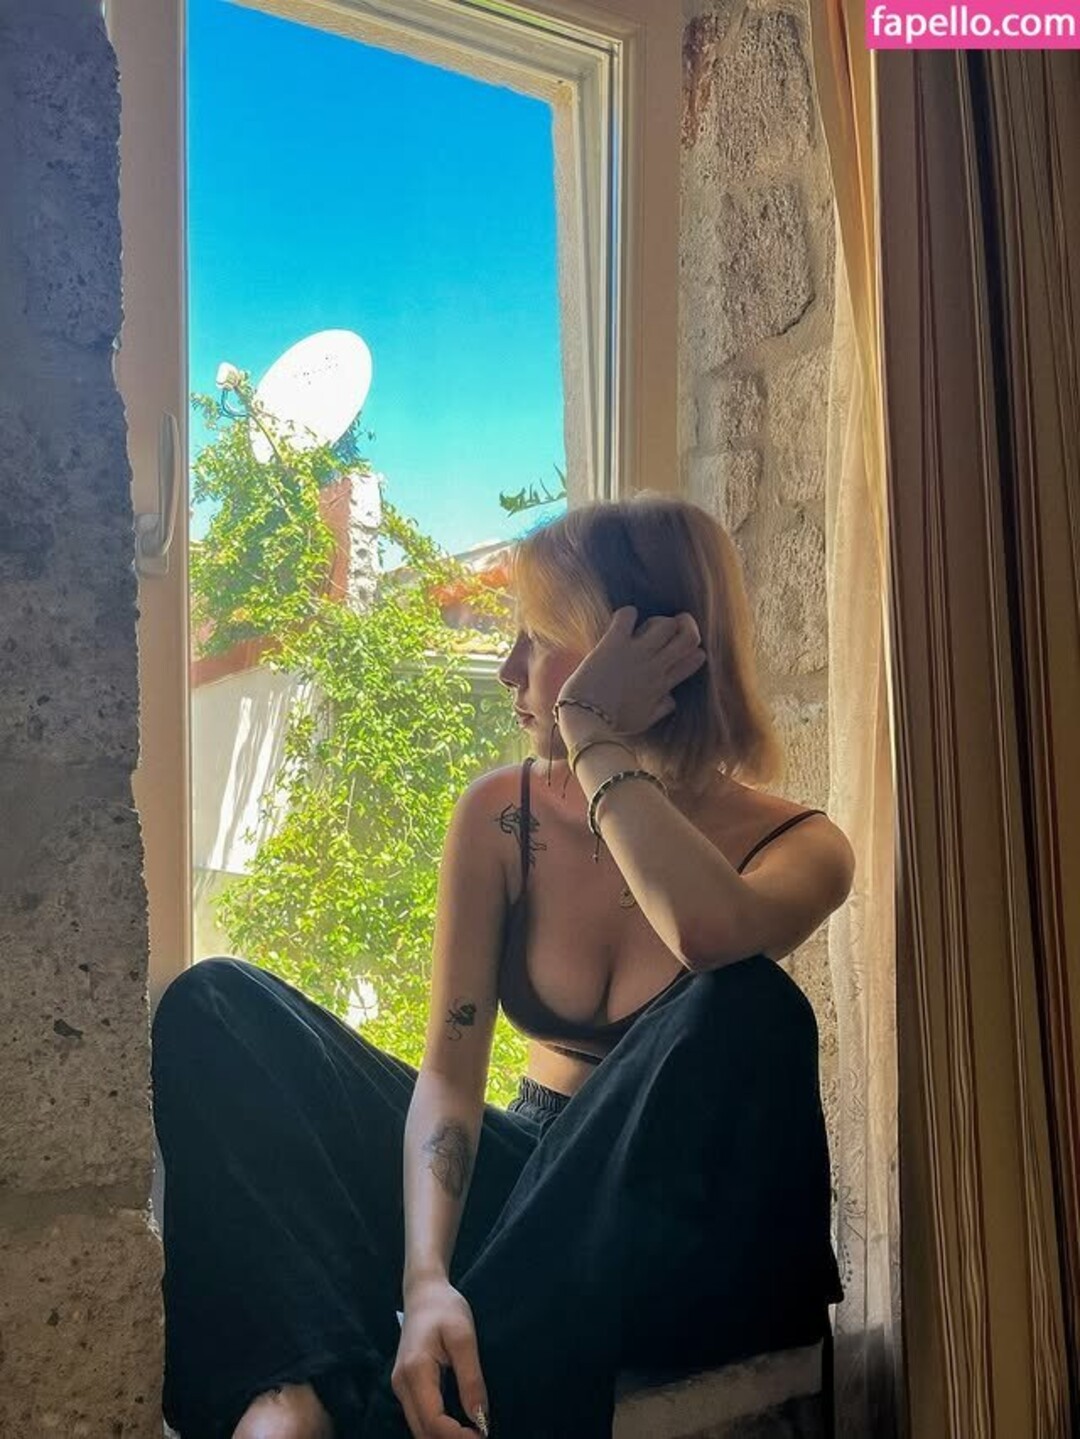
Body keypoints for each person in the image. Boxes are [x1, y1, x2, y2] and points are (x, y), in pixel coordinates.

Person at [152, 494, 853, 1439]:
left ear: (646, 646)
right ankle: (291, 1398)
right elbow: (449, 1078)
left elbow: (706, 932)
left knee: (746, 1001)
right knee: (219, 1003)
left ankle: (400, 1418)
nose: (509, 669)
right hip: (533, 1203)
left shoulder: (802, 844)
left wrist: (595, 736)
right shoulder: (503, 815)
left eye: (540, 638)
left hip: (688, 1242)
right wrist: (426, 1279)